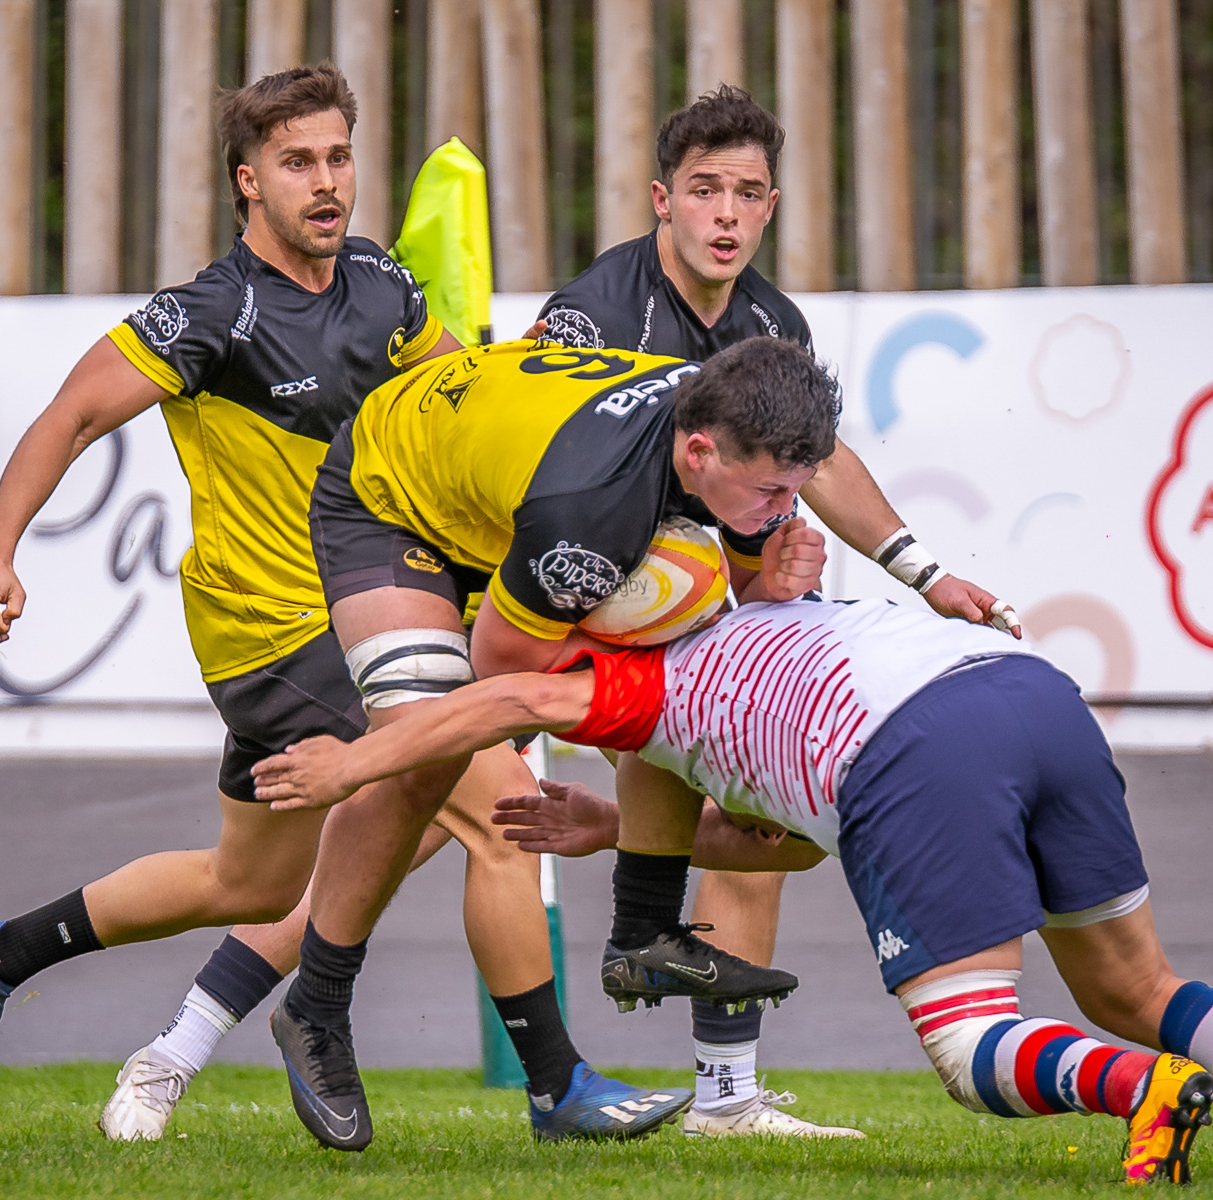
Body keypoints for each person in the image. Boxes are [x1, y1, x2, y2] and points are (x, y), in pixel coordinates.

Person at [0, 63, 689, 1149]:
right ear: (249, 182)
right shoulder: (212, 313)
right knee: (502, 816)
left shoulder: (383, 283)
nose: (325, 182)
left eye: (338, 158)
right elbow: (69, 418)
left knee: (248, 878)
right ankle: (556, 1087)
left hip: (365, 612)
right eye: (297, 164)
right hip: (276, 627)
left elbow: (459, 394)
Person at [250, 595, 1213, 1187]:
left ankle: (1146, 1092)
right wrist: (619, 829)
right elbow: (793, 849)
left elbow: (505, 702)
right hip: (1027, 691)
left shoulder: (625, 686)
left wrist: (353, 758)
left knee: (972, 1048)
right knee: (1137, 981)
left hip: (911, 748)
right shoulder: (758, 619)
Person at [521, 84, 1017, 1138]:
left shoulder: (771, 323)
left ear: (773, 205)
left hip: (702, 619)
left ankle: (726, 1096)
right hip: (559, 602)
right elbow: (548, 483)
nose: (727, 214)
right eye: (706, 190)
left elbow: (819, 462)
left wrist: (924, 575)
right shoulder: (590, 315)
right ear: (662, 200)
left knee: (758, 813)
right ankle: (236, 1014)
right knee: (389, 825)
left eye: (748, 192)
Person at [263, 333, 849, 1145]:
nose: (780, 511)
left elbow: (744, 601)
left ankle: (642, 931)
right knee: (434, 761)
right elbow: (505, 671)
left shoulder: (734, 434)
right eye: (767, 496)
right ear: (701, 453)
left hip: (502, 492)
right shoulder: (594, 511)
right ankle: (318, 1008)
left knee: (674, 682)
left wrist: (778, 577)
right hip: (389, 499)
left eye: (794, 494)